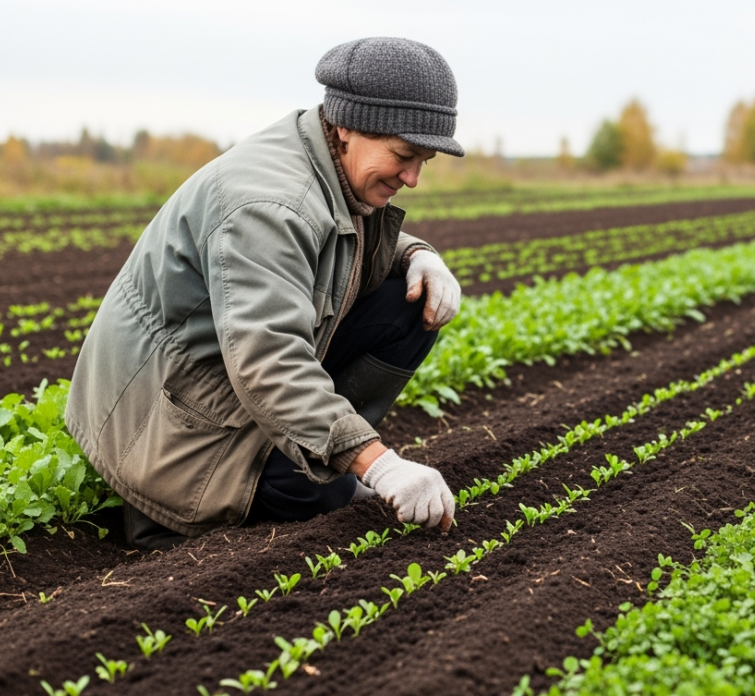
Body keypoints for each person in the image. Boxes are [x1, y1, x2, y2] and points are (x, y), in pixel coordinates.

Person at [65, 37, 464, 551]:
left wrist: (416, 255)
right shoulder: (268, 205)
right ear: (347, 125)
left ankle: (320, 456)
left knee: (405, 307)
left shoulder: (323, 157)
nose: (412, 178)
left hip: (215, 377)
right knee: (315, 493)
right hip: (163, 426)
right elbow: (268, 358)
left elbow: (333, 233)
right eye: (404, 156)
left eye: (424, 161)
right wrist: (378, 464)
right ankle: (193, 500)